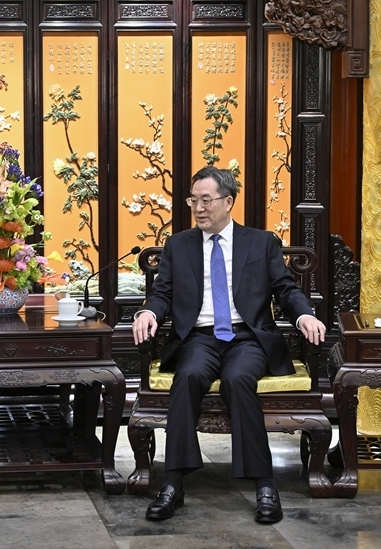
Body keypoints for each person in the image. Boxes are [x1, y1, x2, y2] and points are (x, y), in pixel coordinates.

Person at [132, 166, 325, 524]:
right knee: (187, 377)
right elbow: (162, 293)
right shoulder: (179, 245)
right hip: (199, 339)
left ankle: (264, 485)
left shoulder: (260, 242)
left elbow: (285, 289)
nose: (199, 208)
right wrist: (148, 313)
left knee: (238, 379)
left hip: (246, 338)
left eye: (206, 200)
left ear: (228, 201)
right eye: (193, 201)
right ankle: (173, 484)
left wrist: (304, 316)